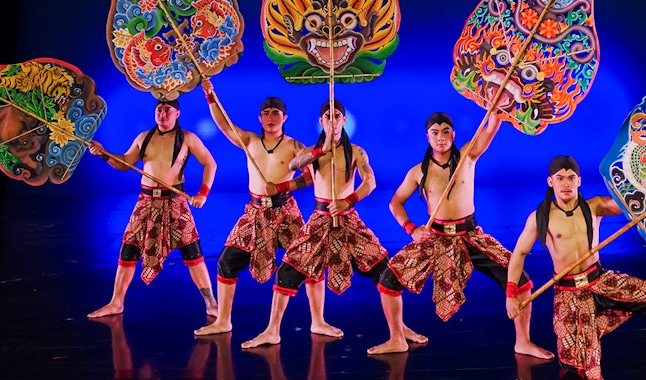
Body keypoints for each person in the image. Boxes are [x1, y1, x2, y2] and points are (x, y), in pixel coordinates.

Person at [506, 155, 646, 380]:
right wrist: (511, 294)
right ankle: (588, 334)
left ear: (579, 181)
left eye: (571, 178)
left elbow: (626, 202)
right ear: (550, 182)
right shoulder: (540, 217)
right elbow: (518, 254)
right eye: (560, 178)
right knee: (577, 370)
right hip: (570, 295)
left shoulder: (594, 206)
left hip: (601, 281)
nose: (565, 183)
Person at [241, 98, 426, 349]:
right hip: (318, 220)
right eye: (327, 117)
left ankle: (400, 329)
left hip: (348, 219)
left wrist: (348, 201)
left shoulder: (357, 151)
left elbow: (370, 183)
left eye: (336, 116)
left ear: (343, 120)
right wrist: (322, 149)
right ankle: (272, 331)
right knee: (287, 271)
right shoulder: (309, 151)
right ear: (321, 122)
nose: (332, 120)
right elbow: (294, 166)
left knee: (384, 270)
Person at [367, 112, 554, 358]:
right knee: (387, 280)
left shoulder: (467, 157)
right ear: (427, 137)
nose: (441, 137)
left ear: (453, 135)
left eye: (446, 132)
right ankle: (397, 338)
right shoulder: (418, 172)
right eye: (435, 133)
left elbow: (490, 129)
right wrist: (411, 229)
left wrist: (496, 106)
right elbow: (395, 203)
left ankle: (523, 341)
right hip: (435, 237)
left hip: (470, 235)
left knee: (519, 279)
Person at [193, 77, 341, 338]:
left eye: (276, 113)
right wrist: (210, 95)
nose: (271, 117)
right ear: (260, 118)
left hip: (286, 212)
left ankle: (318, 321)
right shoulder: (249, 141)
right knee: (227, 262)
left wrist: (282, 188)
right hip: (255, 212)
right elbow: (224, 124)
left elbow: (308, 177)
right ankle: (223, 320)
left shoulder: (295, 146)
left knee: (312, 262)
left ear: (285, 118)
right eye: (266, 113)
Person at [86, 96, 219, 320]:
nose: (162, 114)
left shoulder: (187, 138)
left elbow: (210, 163)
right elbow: (124, 164)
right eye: (159, 109)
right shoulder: (144, 138)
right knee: (128, 250)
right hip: (146, 202)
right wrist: (104, 155)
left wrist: (202, 193)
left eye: (167, 110)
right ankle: (116, 302)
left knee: (192, 253)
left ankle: (211, 302)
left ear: (177, 113)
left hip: (174, 202)